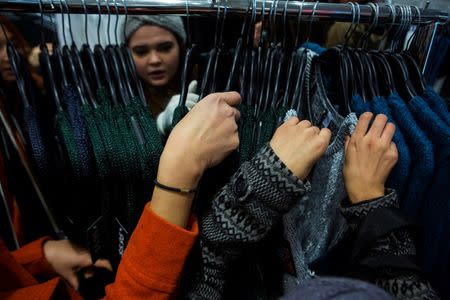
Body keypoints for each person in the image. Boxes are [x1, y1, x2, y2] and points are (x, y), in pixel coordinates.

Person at [123, 15, 200, 136]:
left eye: (165, 48)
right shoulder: (118, 99)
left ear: (180, 47)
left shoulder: (205, 80)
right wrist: (161, 126)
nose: (154, 60)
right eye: (141, 52)